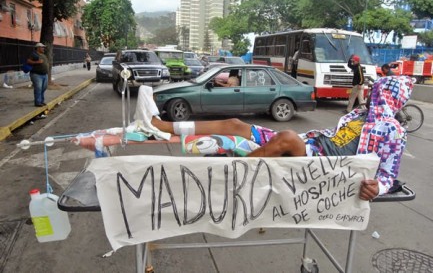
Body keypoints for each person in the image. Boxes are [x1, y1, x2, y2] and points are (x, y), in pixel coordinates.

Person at [134, 75, 414, 201]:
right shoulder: (359, 116)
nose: (374, 97)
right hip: (312, 144)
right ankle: (161, 124)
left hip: (323, 165)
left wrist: (379, 188)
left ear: (390, 98)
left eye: (379, 93)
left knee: (288, 137)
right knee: (235, 124)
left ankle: (221, 182)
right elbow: (330, 135)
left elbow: (389, 173)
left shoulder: (392, 131)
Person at [27, 43, 48, 107]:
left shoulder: (43, 55)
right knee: (38, 88)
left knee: (43, 88)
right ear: (38, 48)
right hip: (36, 75)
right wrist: (37, 62)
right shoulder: (33, 54)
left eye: (43, 47)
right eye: (42, 47)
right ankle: (38, 102)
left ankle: (41, 101)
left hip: (44, 74)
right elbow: (28, 61)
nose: (43, 48)